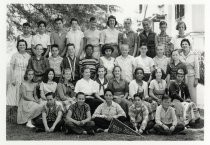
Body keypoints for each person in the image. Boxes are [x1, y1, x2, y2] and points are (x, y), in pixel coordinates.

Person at [7, 39, 31, 106]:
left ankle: (23, 103)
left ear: (26, 46)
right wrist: (12, 78)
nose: (22, 46)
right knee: (15, 88)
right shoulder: (14, 55)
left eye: (23, 45)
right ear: (17, 46)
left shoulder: (28, 56)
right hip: (16, 74)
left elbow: (29, 68)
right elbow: (11, 67)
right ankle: (15, 104)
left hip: (25, 74)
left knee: (23, 88)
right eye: (20, 45)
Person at [179, 38, 200, 105]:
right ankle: (185, 112)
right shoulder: (179, 55)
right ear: (181, 46)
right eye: (183, 44)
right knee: (183, 94)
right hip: (182, 77)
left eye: (186, 44)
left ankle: (194, 111)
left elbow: (197, 67)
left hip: (191, 76)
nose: (184, 45)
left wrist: (196, 79)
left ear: (189, 45)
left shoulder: (194, 54)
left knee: (192, 95)